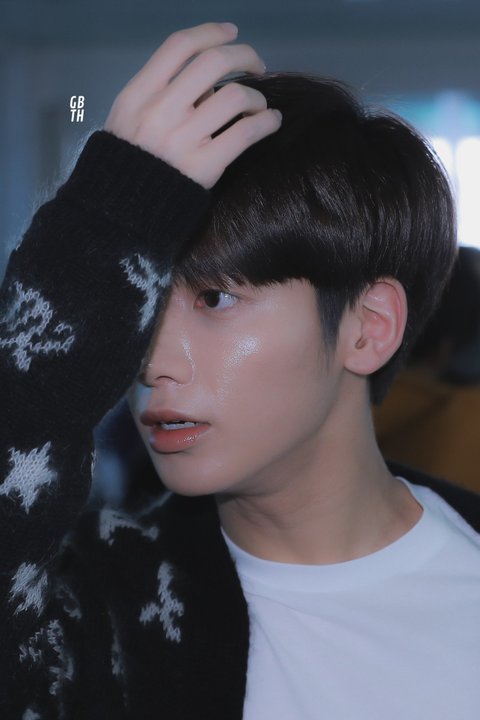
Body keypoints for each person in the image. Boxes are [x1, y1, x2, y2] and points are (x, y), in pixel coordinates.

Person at [0, 21, 479, 720]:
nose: (151, 363)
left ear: (368, 327)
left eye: (215, 299)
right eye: (138, 310)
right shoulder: (99, 614)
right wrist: (101, 231)